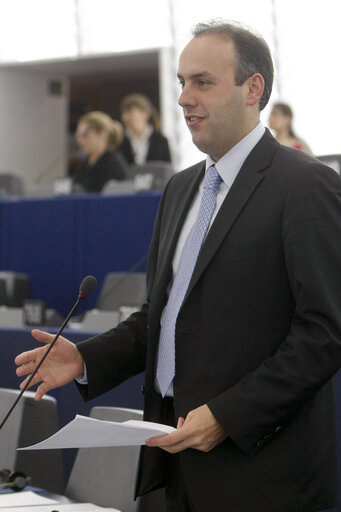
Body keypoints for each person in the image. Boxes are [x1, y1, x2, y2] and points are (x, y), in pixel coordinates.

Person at [15, 20, 341, 512]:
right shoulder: (181, 189)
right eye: (182, 82)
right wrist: (87, 359)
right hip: (176, 460)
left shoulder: (306, 185)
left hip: (266, 475)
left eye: (203, 82)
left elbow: (324, 332)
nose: (185, 98)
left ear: (254, 88)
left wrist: (227, 416)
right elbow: (162, 318)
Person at [72, 111, 127, 193]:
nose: (80, 140)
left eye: (84, 134)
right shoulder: (84, 165)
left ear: (102, 134)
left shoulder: (113, 164)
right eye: (78, 135)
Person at [118, 93, 171, 165]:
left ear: (146, 113)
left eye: (130, 113)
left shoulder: (160, 140)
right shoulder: (120, 141)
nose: (125, 118)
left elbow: (166, 170)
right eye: (123, 113)